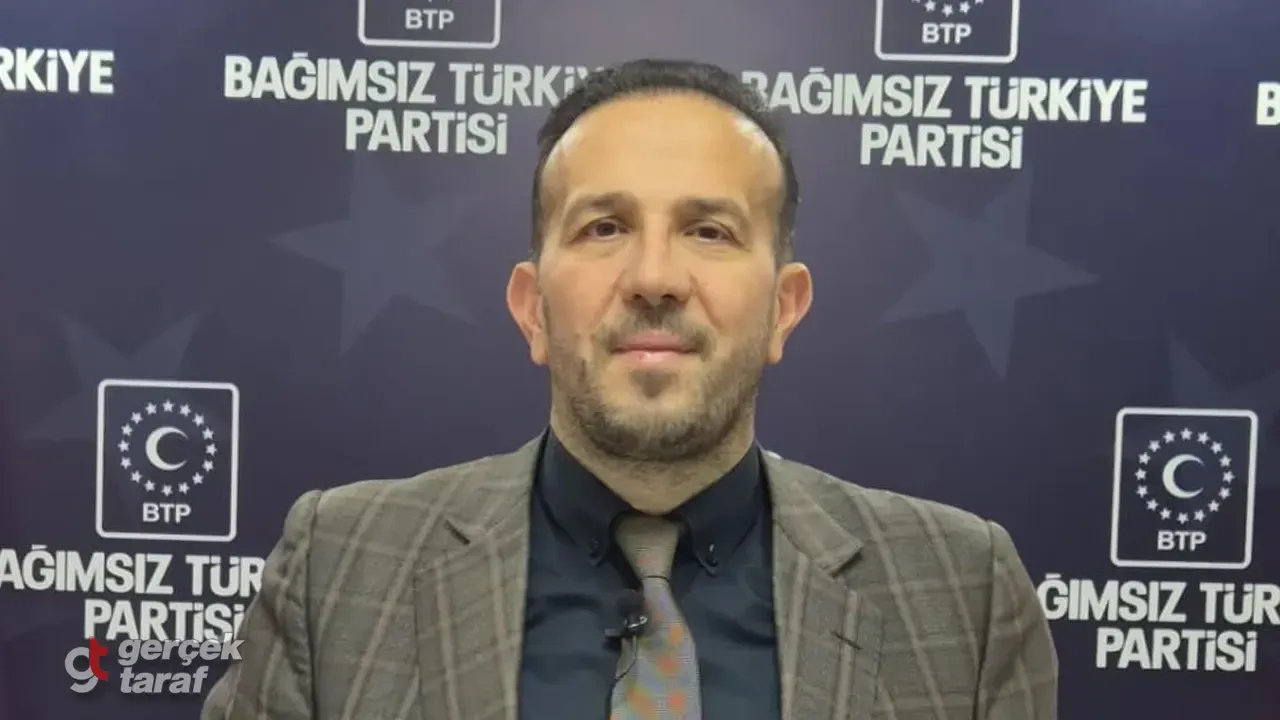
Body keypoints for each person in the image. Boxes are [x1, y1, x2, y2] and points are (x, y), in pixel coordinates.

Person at [201, 58, 1058, 720]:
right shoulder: (338, 568)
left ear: (783, 309)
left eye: (709, 231)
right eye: (604, 227)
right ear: (532, 309)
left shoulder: (964, 593)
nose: (654, 278)